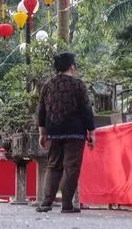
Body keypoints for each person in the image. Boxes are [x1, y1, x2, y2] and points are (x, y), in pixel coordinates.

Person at [36, 52, 96, 214]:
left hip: (54, 132)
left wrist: (42, 133)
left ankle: (46, 202)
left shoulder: (48, 85)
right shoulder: (78, 85)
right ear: (72, 66)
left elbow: (41, 111)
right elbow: (86, 110)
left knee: (53, 166)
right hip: (75, 133)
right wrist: (92, 133)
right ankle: (67, 204)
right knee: (71, 167)